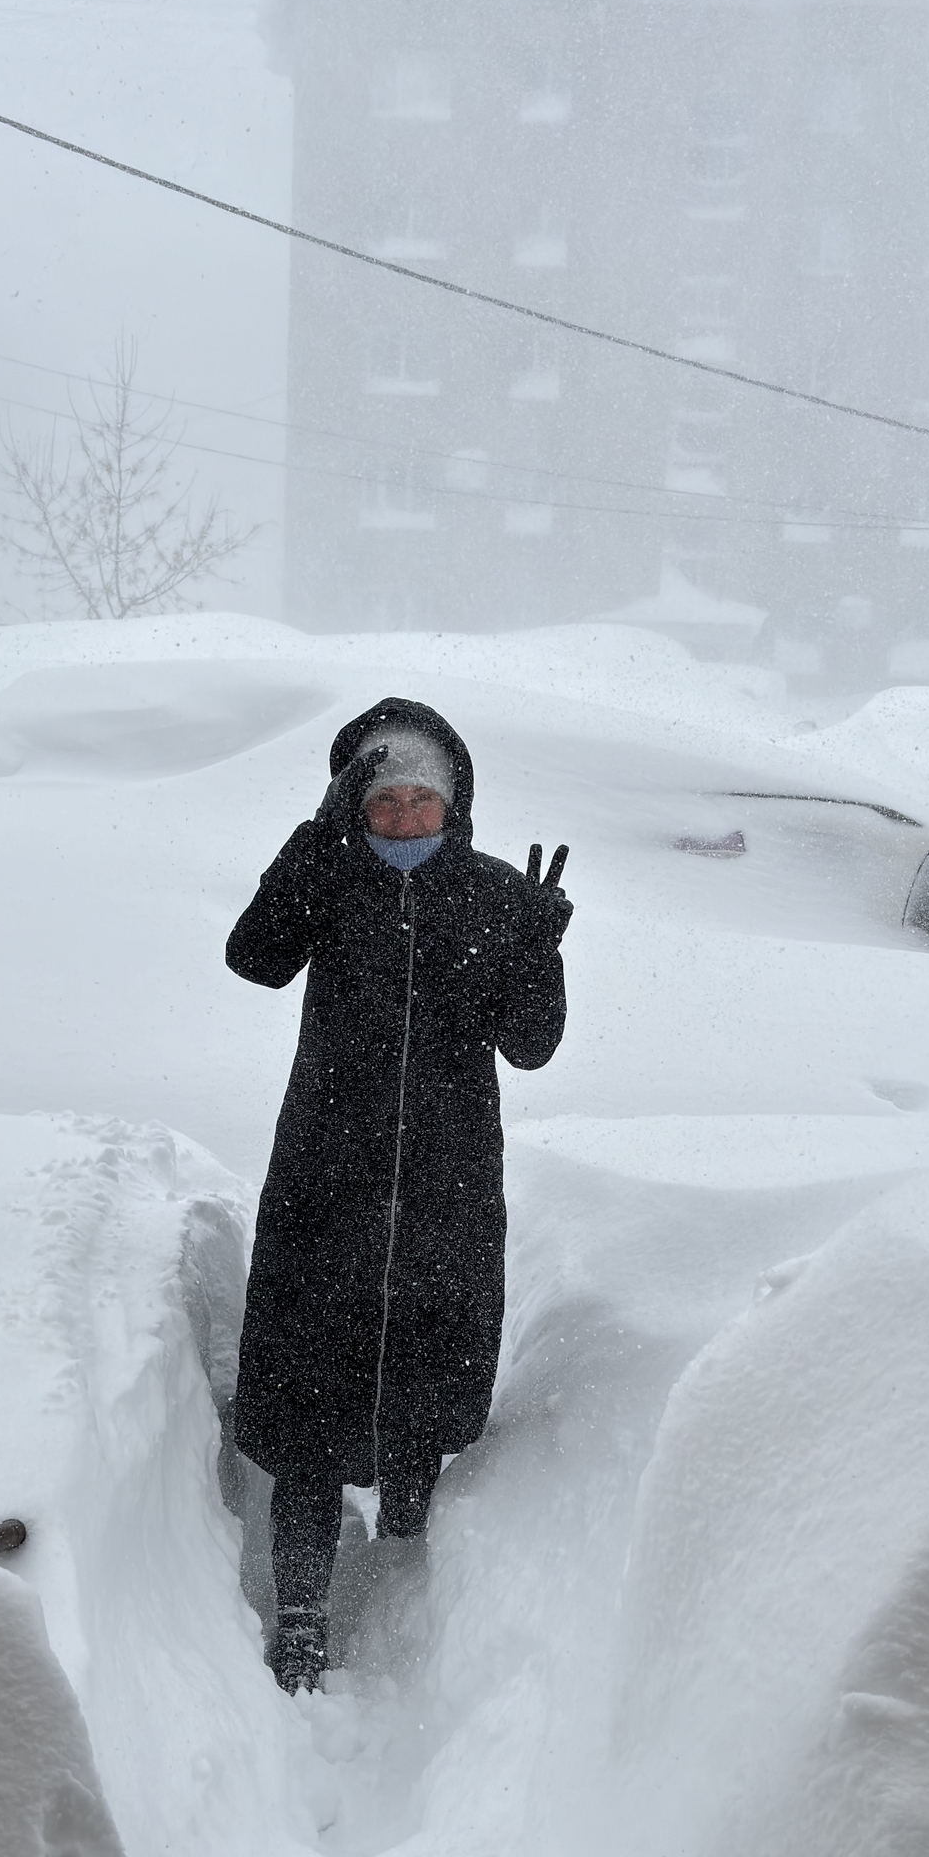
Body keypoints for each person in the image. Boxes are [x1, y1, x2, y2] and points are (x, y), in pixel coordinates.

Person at [226, 699, 572, 1693]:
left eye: (425, 798)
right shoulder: (326, 880)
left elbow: (530, 1043)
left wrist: (538, 952)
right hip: (323, 1184)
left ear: (453, 801)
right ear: (357, 806)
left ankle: (409, 1589)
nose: (408, 815)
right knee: (306, 1409)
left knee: (420, 1390)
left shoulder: (495, 894)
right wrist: (312, 837)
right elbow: (253, 960)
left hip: (443, 1186)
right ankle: (300, 1615)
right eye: (387, 800)